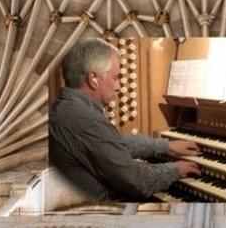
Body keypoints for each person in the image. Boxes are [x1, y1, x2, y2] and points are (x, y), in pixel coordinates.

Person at [49, 39, 201, 201]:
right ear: (93, 79)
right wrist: (175, 170)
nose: (118, 87)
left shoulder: (67, 108)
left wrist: (165, 146)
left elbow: (113, 143)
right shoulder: (83, 118)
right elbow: (136, 181)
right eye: (115, 78)